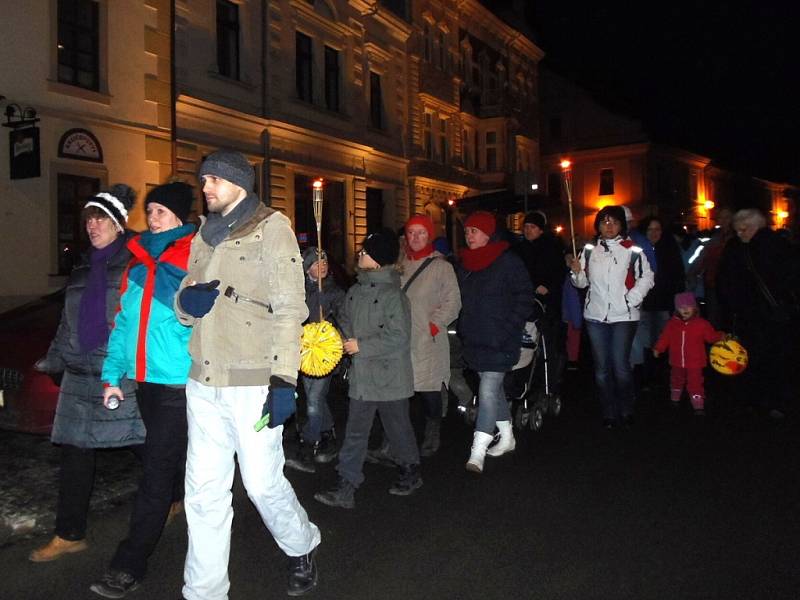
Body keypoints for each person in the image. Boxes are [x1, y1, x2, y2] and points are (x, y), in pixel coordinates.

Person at [175, 150, 320, 598]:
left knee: (261, 482)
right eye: (204, 180)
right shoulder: (203, 234)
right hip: (202, 380)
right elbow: (184, 293)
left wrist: (284, 381)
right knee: (203, 492)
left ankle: (302, 543)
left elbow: (290, 310)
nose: (205, 188)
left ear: (239, 182)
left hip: (253, 381)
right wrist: (186, 305)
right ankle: (204, 591)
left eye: (214, 179)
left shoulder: (272, 229)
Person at [88, 182, 196, 598]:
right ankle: (193, 508)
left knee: (155, 471)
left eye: (162, 212)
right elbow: (123, 327)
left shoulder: (195, 259)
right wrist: (112, 375)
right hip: (145, 385)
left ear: (180, 218)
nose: (153, 218)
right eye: (150, 211)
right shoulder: (136, 266)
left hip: (178, 385)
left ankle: (129, 563)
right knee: (176, 463)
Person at [29, 185, 146, 563]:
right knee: (76, 454)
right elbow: (69, 322)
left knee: (143, 443)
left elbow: (142, 321)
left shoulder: (135, 264)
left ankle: (175, 493)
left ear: (118, 224)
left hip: (118, 373)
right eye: (89, 220)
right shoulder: (81, 269)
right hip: (81, 373)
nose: (93, 226)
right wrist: (55, 359)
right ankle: (69, 533)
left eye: (101, 219)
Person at [314, 228, 420, 508]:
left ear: (378, 260)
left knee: (398, 428)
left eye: (365, 252)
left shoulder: (393, 295)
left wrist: (361, 345)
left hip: (389, 377)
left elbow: (399, 336)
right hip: (362, 377)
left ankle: (410, 469)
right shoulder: (356, 290)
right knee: (355, 432)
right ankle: (346, 485)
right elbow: (346, 321)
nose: (359, 255)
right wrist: (334, 334)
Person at [457, 211, 533, 474]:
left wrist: (508, 327)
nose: (469, 236)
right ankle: (508, 437)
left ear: (488, 234)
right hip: (476, 337)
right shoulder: (465, 263)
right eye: (467, 231)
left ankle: (477, 450)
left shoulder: (507, 261)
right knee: (494, 391)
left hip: (501, 339)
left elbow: (525, 296)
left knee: (488, 390)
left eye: (474, 231)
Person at [567, 205, 654, 428]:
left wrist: (630, 299)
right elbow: (581, 283)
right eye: (604, 222)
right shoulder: (589, 250)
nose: (609, 226)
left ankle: (626, 408)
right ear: (598, 225)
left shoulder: (632, 250)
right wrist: (576, 272)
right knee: (602, 369)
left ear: (621, 226)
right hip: (595, 316)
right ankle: (609, 411)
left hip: (624, 317)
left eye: (614, 222)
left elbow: (647, 278)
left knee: (620, 365)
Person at [717, 208, 800, 419]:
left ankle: (758, 399)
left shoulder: (762, 246)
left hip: (758, 314)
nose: (740, 234)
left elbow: (726, 282)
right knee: (772, 357)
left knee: (759, 357)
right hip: (771, 314)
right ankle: (771, 401)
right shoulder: (777, 245)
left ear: (756, 227)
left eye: (743, 230)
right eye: (737, 230)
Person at [285, 246, 345, 473]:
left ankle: (308, 448)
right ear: (306, 266)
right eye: (316, 262)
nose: (322, 265)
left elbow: (344, 318)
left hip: (324, 354)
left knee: (313, 402)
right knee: (314, 398)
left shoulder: (334, 292)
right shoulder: (297, 291)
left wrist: (338, 337)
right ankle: (328, 433)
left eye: (325, 261)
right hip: (302, 352)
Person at [513, 210, 568, 393]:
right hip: (525, 300)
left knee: (547, 342)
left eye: (532, 227)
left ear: (540, 230)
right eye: (526, 227)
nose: (528, 231)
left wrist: (547, 287)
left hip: (546, 302)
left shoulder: (550, 248)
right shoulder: (519, 249)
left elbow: (558, 273)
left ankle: (549, 380)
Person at [630, 216, 685, 388]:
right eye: (650, 229)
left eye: (657, 229)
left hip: (663, 302)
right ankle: (646, 375)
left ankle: (659, 373)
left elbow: (677, 276)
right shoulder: (639, 249)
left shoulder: (669, 248)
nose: (654, 233)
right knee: (644, 341)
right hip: (644, 302)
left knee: (661, 338)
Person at [653, 292, 724, 416]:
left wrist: (720, 336)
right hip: (676, 359)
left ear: (694, 308)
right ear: (676, 309)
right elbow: (665, 337)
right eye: (681, 307)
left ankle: (697, 402)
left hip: (695, 361)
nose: (684, 309)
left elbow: (710, 337)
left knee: (695, 381)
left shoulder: (702, 324)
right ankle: (675, 394)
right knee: (676, 378)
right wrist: (659, 348)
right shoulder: (672, 324)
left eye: (688, 306)